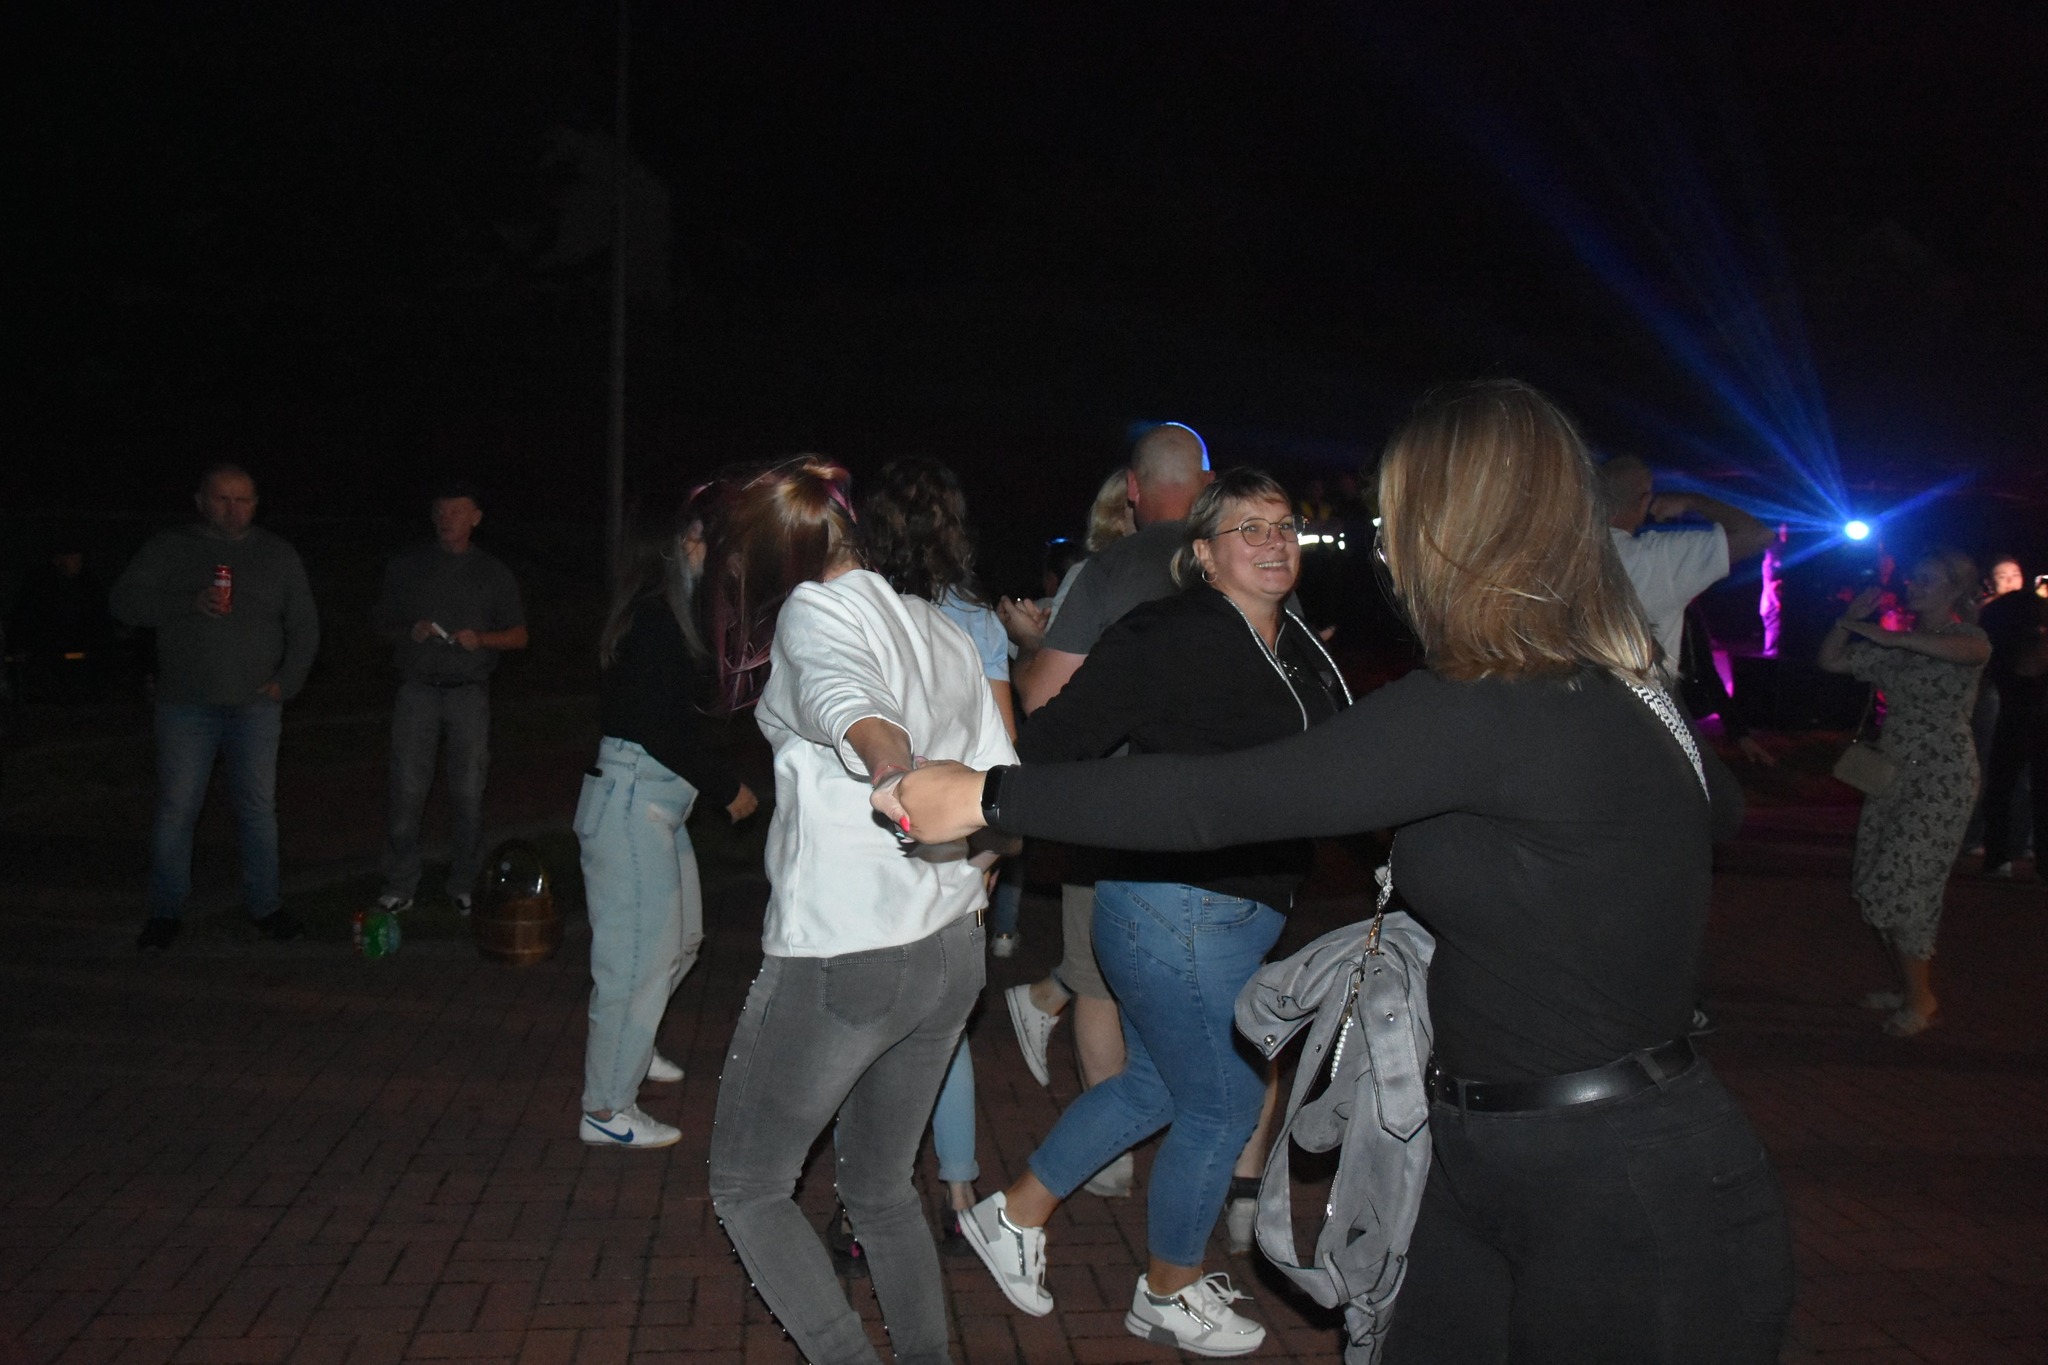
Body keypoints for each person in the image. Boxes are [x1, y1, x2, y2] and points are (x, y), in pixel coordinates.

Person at [887, 380, 1794, 1364]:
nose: (1384, 550)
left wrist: (988, 798)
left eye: (1395, 522)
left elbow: (1214, 801)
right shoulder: (1593, 689)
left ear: (1454, 531)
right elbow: (1713, 806)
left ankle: (1126, 1259)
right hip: (1487, 1156)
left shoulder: (1487, 704)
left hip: (1617, 1182)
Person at [947, 468, 1349, 1356]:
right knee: (1226, 1102)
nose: (1274, 542)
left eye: (1284, 526)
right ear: (1203, 553)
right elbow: (1054, 741)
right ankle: (1167, 1288)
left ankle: (1012, 1214)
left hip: (1232, 909)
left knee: (1158, 1084)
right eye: (1249, 529)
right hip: (1176, 908)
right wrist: (989, 815)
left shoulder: (1295, 643)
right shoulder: (1169, 631)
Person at [702, 457, 1016, 1365]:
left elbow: (854, 705)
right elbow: (1002, 781)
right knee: (879, 1186)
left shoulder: (814, 611)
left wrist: (891, 769)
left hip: (847, 954)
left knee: (748, 1185)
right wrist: (979, 862)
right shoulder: (936, 623)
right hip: (948, 950)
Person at [999, 425, 1213, 1200]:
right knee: (1230, 990)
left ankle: (1111, 1157)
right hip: (1227, 810)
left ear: (1133, 487)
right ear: (1209, 482)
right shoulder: (1245, 556)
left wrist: (1029, 644)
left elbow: (1044, 699)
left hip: (1115, 810)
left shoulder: (1106, 572)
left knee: (1097, 980)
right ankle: (1241, 1186)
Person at [856, 455, 1018, 1238]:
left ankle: (862, 1205)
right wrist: (990, 857)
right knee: (942, 1025)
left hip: (871, 840)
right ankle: (957, 1197)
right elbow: (1002, 761)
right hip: (951, 844)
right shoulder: (977, 621)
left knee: (863, 1027)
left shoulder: (856, 611)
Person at [575, 499, 758, 1149]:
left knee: (680, 941)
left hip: (654, 803)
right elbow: (661, 726)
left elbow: (683, 711)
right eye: (702, 539)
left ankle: (633, 1043)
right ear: (675, 543)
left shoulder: (666, 614)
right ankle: (606, 1107)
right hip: (632, 801)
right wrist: (726, 785)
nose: (710, 552)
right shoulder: (654, 616)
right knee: (635, 961)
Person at [112, 464, 320, 950]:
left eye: (243, 499)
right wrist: (186, 602)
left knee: (257, 810)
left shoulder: (277, 553)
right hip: (185, 705)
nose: (233, 508)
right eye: (222, 498)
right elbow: (123, 603)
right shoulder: (171, 547)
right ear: (200, 501)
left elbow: (305, 625)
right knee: (177, 810)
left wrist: (287, 681)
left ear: (256, 505)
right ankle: (165, 911)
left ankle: (265, 905)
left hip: (255, 706)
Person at [1819, 550, 1990, 1037]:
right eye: (1913, 578)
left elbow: (1968, 653)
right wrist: (1848, 620)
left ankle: (1921, 1000)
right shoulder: (1897, 645)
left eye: (1926, 579)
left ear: (1955, 590)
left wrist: (1886, 635)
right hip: (1893, 774)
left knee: (1907, 884)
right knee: (1876, 877)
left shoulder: (1967, 638)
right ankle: (1909, 986)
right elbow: (1830, 660)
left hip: (1941, 777)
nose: (1913, 584)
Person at [369, 482, 528, 913]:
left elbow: (519, 635)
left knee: (468, 793)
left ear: (476, 518)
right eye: (440, 511)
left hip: (468, 695)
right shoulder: (407, 567)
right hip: (416, 691)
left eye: (456, 511)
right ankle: (400, 881)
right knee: (406, 790)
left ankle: (465, 881)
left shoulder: (493, 572)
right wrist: (409, 631)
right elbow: (381, 624)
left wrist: (482, 640)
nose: (446, 519)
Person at [1601, 454, 1774, 678]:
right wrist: (1692, 501)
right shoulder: (1660, 558)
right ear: (1645, 501)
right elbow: (1758, 535)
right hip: (1642, 695)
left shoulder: (1568, 552)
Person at [1975, 555, 2043, 877]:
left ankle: (2003, 854)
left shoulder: (1998, 623)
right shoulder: (2003, 620)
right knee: (2009, 785)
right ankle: (2006, 853)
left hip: (2015, 715)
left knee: (2006, 785)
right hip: (2019, 714)